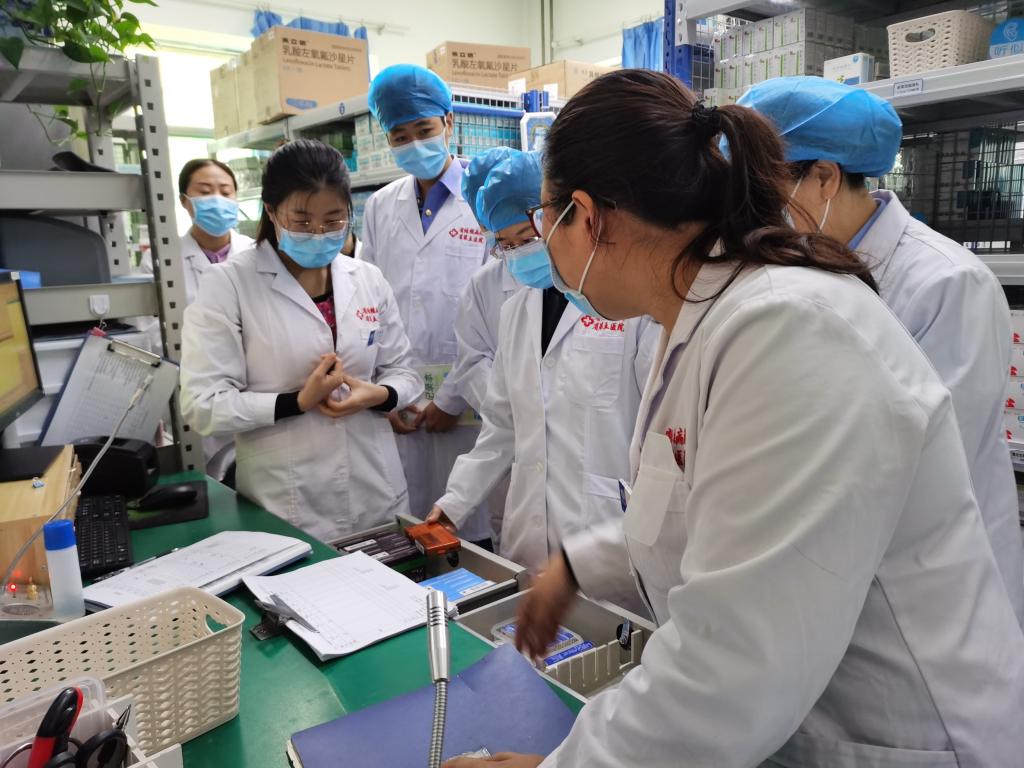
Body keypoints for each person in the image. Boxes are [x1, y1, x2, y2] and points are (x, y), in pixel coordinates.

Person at [445, 70, 1024, 768]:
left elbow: (733, 666)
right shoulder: (702, 316)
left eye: (544, 221)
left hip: (900, 732)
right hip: (803, 719)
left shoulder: (789, 330)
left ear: (587, 217)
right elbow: (702, 512)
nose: (539, 246)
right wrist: (576, 565)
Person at [738, 76, 1024, 624]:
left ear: (825, 177)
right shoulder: (798, 267)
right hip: (839, 575)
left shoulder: (946, 283)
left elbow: (930, 466)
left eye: (763, 192)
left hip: (934, 592)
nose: (751, 212)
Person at [428, 149, 656, 581]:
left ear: (557, 217)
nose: (519, 254)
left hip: (607, 532)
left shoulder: (629, 306)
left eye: (525, 237)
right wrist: (455, 502)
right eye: (506, 245)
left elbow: (658, 428)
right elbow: (502, 425)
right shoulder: (517, 311)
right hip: (528, 540)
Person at [180, 140, 423, 542]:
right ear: (271, 211)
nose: (319, 233)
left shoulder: (367, 278)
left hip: (375, 489)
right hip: (287, 501)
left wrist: (379, 395)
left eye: (333, 219)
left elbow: (406, 372)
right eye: (303, 220)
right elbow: (203, 405)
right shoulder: (229, 284)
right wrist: (294, 402)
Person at [362, 64, 492, 545]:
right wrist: (387, 393)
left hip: (471, 400)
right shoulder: (380, 205)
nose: (414, 144)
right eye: (400, 136)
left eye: (424, 129)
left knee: (470, 529)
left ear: (448, 122)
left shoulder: (486, 197)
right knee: (409, 528)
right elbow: (367, 302)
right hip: (401, 398)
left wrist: (453, 398)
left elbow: (499, 314)